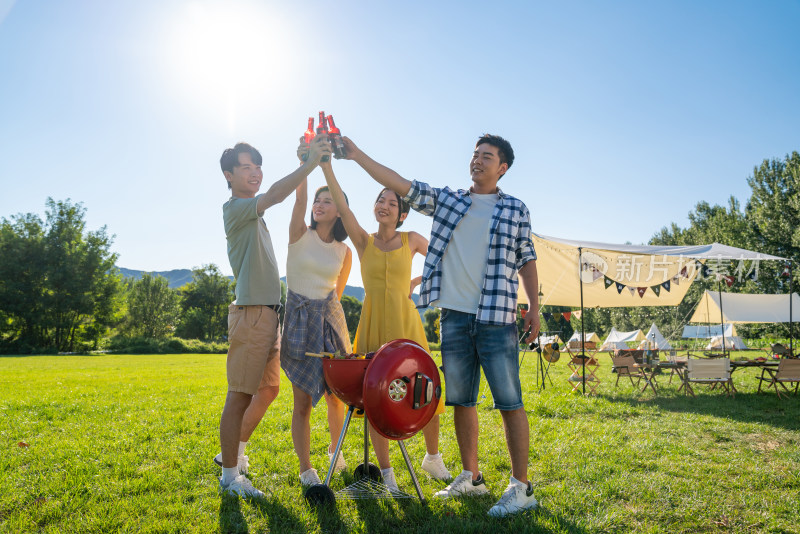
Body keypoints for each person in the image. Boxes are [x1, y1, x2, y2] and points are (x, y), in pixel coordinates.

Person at [342, 134, 541, 517]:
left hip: (497, 317)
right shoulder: (451, 201)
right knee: (461, 401)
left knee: (509, 402)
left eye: (487, 157)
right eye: (475, 155)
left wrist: (533, 305)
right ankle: (471, 476)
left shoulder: (516, 209)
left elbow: (526, 258)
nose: (478, 161)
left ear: (502, 168)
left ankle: (521, 486)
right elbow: (403, 184)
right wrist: (355, 155)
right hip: (454, 316)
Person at [320, 157, 451, 493]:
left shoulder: (412, 239)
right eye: (381, 199)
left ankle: (432, 457)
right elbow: (343, 210)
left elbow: (445, 260)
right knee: (377, 400)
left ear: (402, 214)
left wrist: (415, 283)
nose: (385, 205)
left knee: (427, 393)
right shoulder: (364, 242)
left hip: (407, 325)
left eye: (393, 202)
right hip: (374, 326)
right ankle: (388, 476)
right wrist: (326, 168)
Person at [216, 137, 330, 498]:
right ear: (229, 175)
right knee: (239, 395)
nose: (255, 172)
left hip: (269, 316)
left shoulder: (253, 213)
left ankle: (232, 455)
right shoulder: (237, 207)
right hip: (251, 315)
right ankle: (231, 477)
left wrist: (305, 160)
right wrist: (311, 162)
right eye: (246, 167)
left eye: (257, 167)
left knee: (268, 390)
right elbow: (279, 194)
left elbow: (277, 195)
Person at [280, 161, 353, 487]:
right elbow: (298, 201)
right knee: (303, 401)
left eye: (328, 201)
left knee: (337, 395)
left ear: (340, 211)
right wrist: (306, 163)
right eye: (317, 201)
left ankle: (335, 452)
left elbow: (336, 293)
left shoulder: (343, 251)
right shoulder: (299, 233)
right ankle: (306, 468)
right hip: (298, 322)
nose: (318, 205)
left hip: (330, 324)